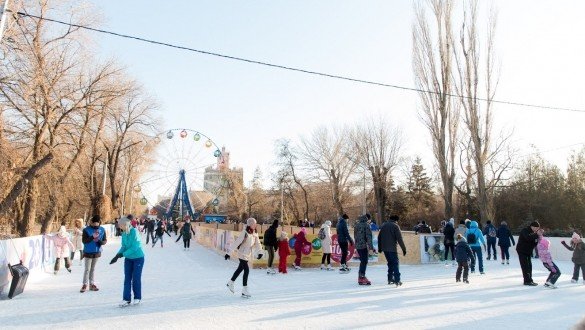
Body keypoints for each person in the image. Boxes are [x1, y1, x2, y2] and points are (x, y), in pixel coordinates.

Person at [110, 216, 145, 306]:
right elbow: (123, 246)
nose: (119, 227)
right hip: (128, 259)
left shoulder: (134, 232)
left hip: (138, 258)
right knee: (127, 279)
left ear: (124, 224)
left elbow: (135, 246)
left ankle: (137, 297)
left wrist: (123, 254)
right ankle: (126, 299)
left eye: (120, 225)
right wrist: (117, 255)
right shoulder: (124, 234)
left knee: (136, 278)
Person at [225, 218, 262, 298]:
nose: (255, 225)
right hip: (241, 254)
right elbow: (236, 242)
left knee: (240, 269)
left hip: (247, 254)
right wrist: (228, 253)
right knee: (246, 270)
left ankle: (230, 282)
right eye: (254, 224)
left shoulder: (255, 233)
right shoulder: (245, 232)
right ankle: (245, 290)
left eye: (255, 224)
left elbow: (258, 243)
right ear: (250, 224)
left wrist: (260, 252)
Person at [378, 215, 407, 287]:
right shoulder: (395, 226)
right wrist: (404, 249)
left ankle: (390, 278)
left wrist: (380, 247)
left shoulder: (384, 226)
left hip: (385, 249)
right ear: (396, 220)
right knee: (395, 264)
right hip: (392, 249)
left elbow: (379, 237)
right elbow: (399, 239)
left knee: (390, 263)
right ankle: (397, 280)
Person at [81, 215, 107, 293]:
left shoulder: (102, 229)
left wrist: (99, 241)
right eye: (94, 223)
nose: (96, 225)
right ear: (91, 222)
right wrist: (92, 237)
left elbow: (104, 241)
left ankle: (92, 284)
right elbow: (84, 241)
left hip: (96, 252)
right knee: (87, 269)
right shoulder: (86, 230)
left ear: (99, 223)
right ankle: (84, 284)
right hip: (88, 252)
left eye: (97, 223)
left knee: (92, 269)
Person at [516, 221, 541, 286]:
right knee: (525, 266)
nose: (537, 229)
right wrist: (536, 235)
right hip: (522, 250)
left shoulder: (534, 233)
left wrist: (538, 239)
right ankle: (527, 281)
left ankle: (530, 280)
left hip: (528, 251)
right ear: (532, 226)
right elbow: (528, 237)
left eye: (538, 228)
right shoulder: (525, 230)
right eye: (536, 228)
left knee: (529, 266)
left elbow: (534, 243)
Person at [354, 214, 375, 285]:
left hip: (358, 246)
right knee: (364, 261)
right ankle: (362, 277)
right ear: (367, 219)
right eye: (369, 220)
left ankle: (361, 276)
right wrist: (371, 248)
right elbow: (369, 237)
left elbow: (355, 236)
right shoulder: (366, 225)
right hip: (363, 246)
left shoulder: (356, 225)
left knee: (363, 261)